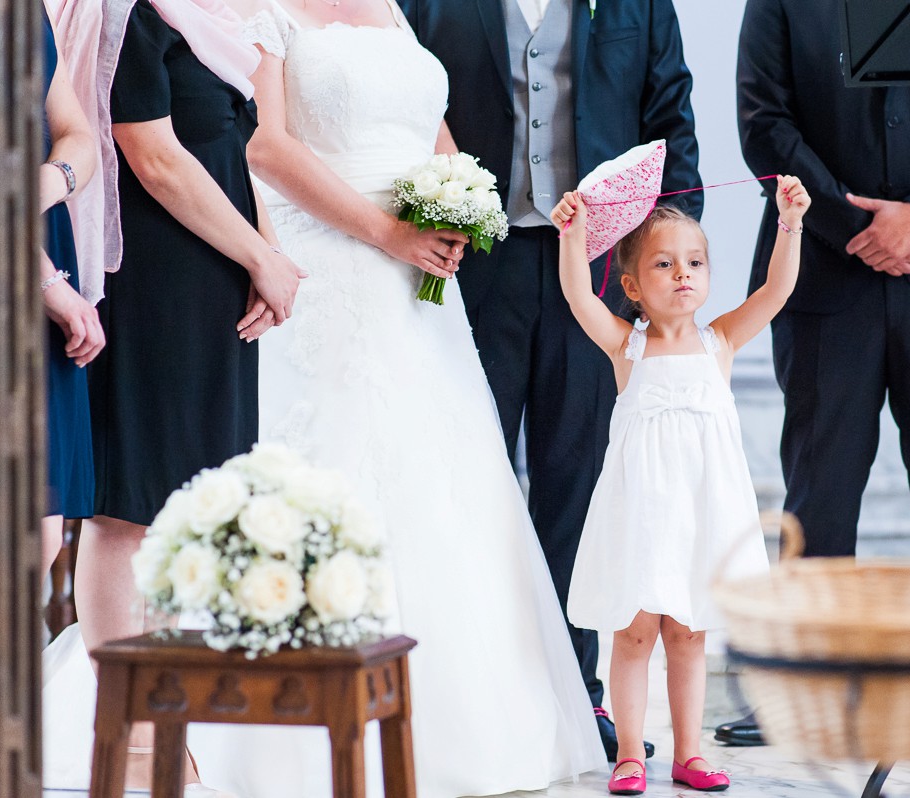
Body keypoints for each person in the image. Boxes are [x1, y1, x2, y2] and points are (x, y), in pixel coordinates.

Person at [170, 0, 605, 795]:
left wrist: (456, 204)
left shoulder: (395, 7)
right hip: (332, 265)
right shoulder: (263, 10)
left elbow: (432, 130)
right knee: (339, 461)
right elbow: (265, 144)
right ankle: (294, 720)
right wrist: (384, 231)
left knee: (445, 478)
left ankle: (468, 719)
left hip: (418, 283)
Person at [714, 0, 910, 747]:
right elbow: (764, 124)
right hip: (824, 270)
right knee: (819, 489)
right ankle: (800, 687)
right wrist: (856, 226)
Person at [396, 0, 702, 759]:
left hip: (599, 278)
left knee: (579, 490)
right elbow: (399, 111)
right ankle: (474, 695)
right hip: (473, 268)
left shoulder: (640, 5)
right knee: (471, 487)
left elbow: (672, 126)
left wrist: (665, 271)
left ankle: (577, 698)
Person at [42, 0, 304, 791]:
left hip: (213, 282)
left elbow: (234, 146)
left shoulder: (211, 18)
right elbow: (152, 155)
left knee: (183, 512)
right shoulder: (123, 17)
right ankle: (136, 739)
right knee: (131, 510)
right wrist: (258, 255)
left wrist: (269, 254)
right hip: (149, 286)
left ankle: (168, 730)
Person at [552, 176, 808, 792]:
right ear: (634, 286)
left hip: (701, 512)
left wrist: (790, 223)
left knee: (688, 634)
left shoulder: (719, 341)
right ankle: (631, 753)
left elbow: (776, 291)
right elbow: (577, 296)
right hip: (640, 512)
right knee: (635, 632)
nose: (683, 274)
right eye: (665, 264)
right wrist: (573, 234)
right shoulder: (627, 346)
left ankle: (689, 751)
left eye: (695, 262)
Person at [40, 3, 103, 580]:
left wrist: (49, 181)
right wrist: (43, 281)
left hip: (35, 248)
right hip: (15, 280)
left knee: (41, 532)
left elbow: (78, 135)